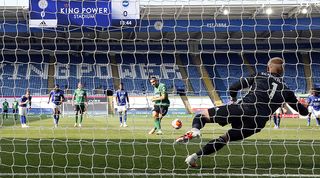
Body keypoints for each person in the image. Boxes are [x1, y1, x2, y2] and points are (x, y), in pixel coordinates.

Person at [175, 57, 309, 167]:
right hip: (257, 123)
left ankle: (195, 130)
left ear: (268, 68)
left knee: (202, 116)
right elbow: (303, 112)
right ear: (282, 72)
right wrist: (303, 105)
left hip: (242, 109)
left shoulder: (259, 75)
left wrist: (233, 99)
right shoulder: (287, 91)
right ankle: (194, 157)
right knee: (224, 138)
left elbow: (233, 87)